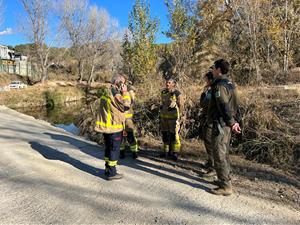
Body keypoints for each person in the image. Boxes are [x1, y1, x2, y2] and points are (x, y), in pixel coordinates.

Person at [207, 59, 241, 196]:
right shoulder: (230, 83)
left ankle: (226, 186)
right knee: (224, 152)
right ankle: (224, 179)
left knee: (219, 153)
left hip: (221, 124)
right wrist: (235, 121)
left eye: (213, 68)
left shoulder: (219, 86)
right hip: (226, 123)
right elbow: (236, 105)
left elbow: (224, 106)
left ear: (219, 70)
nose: (212, 70)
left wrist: (232, 122)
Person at [94, 74, 131, 180]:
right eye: (123, 83)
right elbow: (125, 106)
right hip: (114, 128)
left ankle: (107, 169)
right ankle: (112, 173)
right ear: (118, 83)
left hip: (107, 127)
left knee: (108, 148)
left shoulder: (107, 91)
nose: (124, 85)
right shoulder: (115, 94)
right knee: (114, 149)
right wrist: (125, 93)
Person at [159, 78, 184, 161]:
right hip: (164, 118)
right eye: (166, 82)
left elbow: (181, 105)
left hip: (173, 119)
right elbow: (163, 103)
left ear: (173, 84)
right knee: (165, 134)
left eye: (169, 83)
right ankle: (166, 152)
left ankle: (175, 153)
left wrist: (179, 116)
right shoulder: (163, 92)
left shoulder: (177, 93)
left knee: (174, 136)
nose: (167, 84)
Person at [199, 71, 215, 176]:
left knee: (210, 143)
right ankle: (210, 162)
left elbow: (204, 103)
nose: (205, 81)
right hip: (206, 119)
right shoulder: (208, 90)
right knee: (207, 141)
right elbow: (202, 104)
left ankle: (213, 167)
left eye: (206, 79)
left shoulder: (214, 91)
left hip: (212, 120)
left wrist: (203, 95)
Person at [120, 80, 139, 159]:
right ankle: (122, 152)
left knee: (130, 136)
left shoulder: (127, 94)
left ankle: (134, 152)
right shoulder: (118, 94)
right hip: (121, 120)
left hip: (127, 120)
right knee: (121, 138)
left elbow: (126, 105)